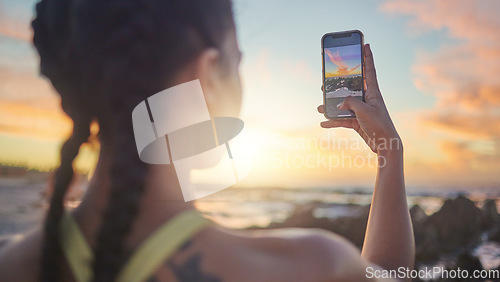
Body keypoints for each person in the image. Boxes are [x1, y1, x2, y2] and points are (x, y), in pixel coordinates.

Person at [0, 0, 414, 281]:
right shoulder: (312, 267)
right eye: (239, 61)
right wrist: (388, 155)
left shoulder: (12, 265)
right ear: (210, 78)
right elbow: (387, 273)